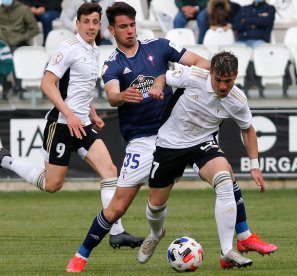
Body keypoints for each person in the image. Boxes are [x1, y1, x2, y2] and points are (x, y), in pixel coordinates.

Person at [65, 2, 276, 272]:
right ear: (111, 30)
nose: (129, 31)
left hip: (188, 133)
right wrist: (122, 96)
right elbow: (112, 95)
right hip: (143, 141)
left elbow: (201, 63)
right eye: (123, 27)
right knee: (119, 207)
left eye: (132, 25)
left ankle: (239, 242)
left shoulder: (160, 46)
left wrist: (201, 81)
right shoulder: (112, 63)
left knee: (225, 177)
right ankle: (86, 254)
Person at [0, 2, 142, 252]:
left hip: (83, 125)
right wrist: (70, 114)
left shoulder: (95, 50)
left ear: (100, 25)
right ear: (77, 24)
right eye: (85, 22)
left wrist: (91, 113)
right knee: (52, 185)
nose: (90, 26)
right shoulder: (68, 48)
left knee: (110, 171)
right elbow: (47, 83)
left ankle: (116, 233)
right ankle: (5, 159)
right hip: (61, 125)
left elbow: (80, 88)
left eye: (95, 22)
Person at [137, 51, 268, 269]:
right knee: (155, 205)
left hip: (202, 144)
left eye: (228, 81)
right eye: (218, 80)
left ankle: (227, 251)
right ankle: (155, 233)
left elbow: (248, 129)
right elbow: (162, 75)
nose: (223, 86)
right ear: (211, 73)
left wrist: (254, 166)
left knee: (224, 181)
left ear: (235, 76)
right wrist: (158, 86)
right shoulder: (193, 76)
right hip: (170, 144)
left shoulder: (237, 99)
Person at [0, 0, 40, 95]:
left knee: (15, 55)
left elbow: (35, 29)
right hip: (2, 43)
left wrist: (21, 37)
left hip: (19, 43)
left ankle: (18, 86)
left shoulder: (23, 9)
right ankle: (4, 84)